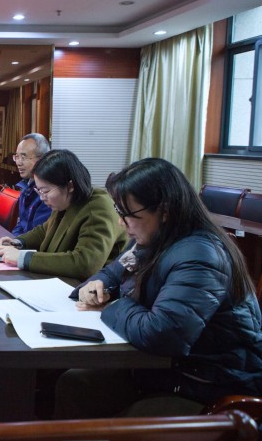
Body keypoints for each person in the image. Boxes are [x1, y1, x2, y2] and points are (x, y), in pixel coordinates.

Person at [55, 158, 262, 419]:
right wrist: (96, 287)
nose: (121, 223)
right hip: (164, 372)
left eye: (128, 214)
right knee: (76, 384)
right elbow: (111, 273)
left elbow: (163, 334)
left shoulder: (200, 255)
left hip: (210, 386)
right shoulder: (151, 238)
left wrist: (114, 305)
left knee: (134, 417)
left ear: (164, 211)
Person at [0, 149, 127, 282]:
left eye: (45, 191)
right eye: (39, 191)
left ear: (70, 185)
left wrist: (23, 258)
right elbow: (45, 230)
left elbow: (85, 263)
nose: (42, 197)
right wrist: (18, 242)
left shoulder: (97, 208)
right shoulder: (66, 200)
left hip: (91, 289)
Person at [11, 133, 52, 235]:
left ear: (42, 159)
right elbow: (22, 224)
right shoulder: (26, 186)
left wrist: (18, 242)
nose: (18, 162)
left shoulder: (49, 193)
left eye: (23, 157)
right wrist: (13, 240)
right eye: (17, 157)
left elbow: (38, 235)